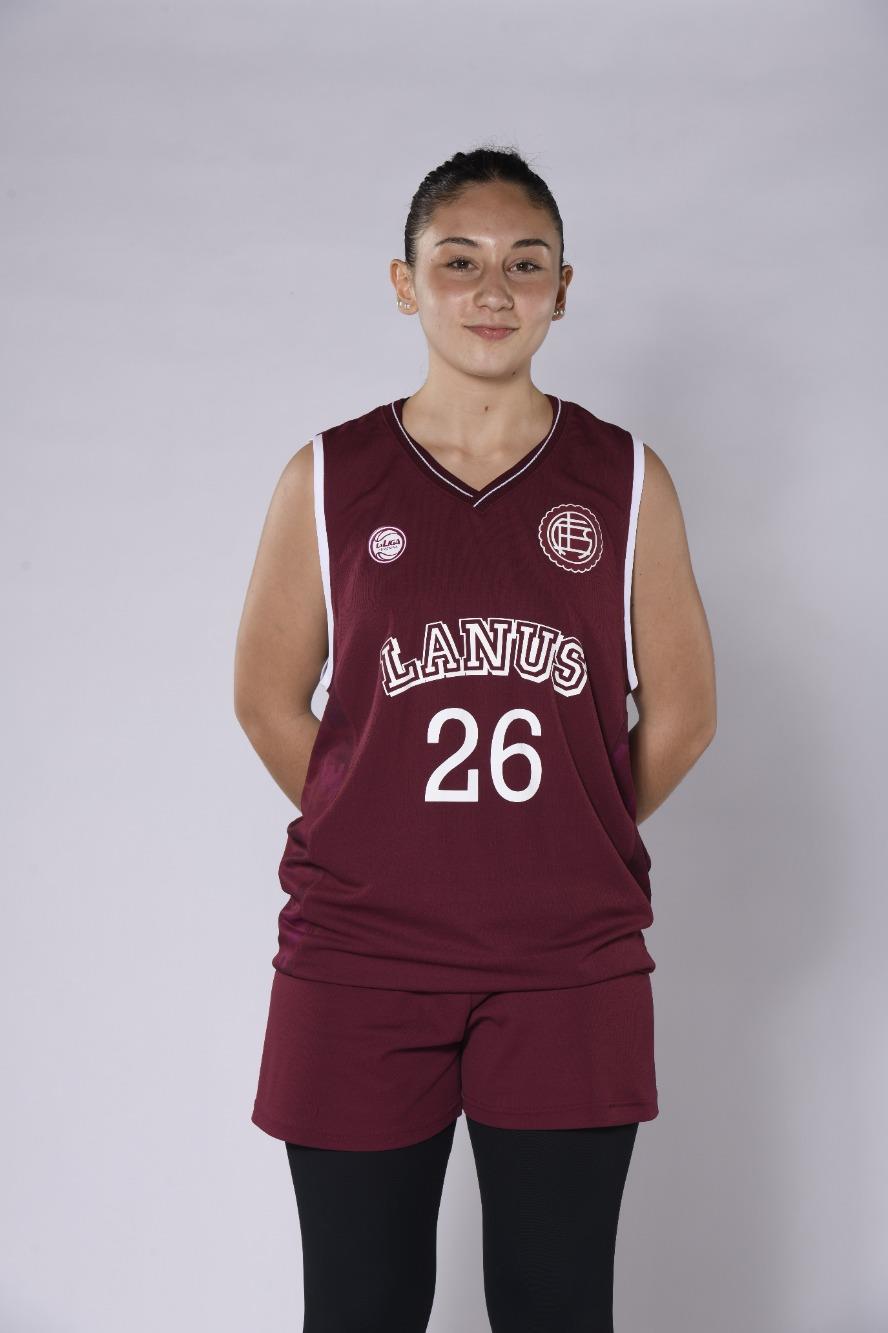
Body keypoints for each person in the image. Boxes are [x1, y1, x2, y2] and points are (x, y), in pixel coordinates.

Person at [234, 144, 717, 1333]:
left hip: (567, 962)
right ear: (406, 283)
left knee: (558, 1309)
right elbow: (266, 698)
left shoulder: (627, 478)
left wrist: (567, 830)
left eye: (525, 263)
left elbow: (686, 712)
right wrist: (376, 826)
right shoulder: (328, 475)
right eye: (459, 261)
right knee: (359, 1308)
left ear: (563, 289)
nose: (493, 290)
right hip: (358, 955)